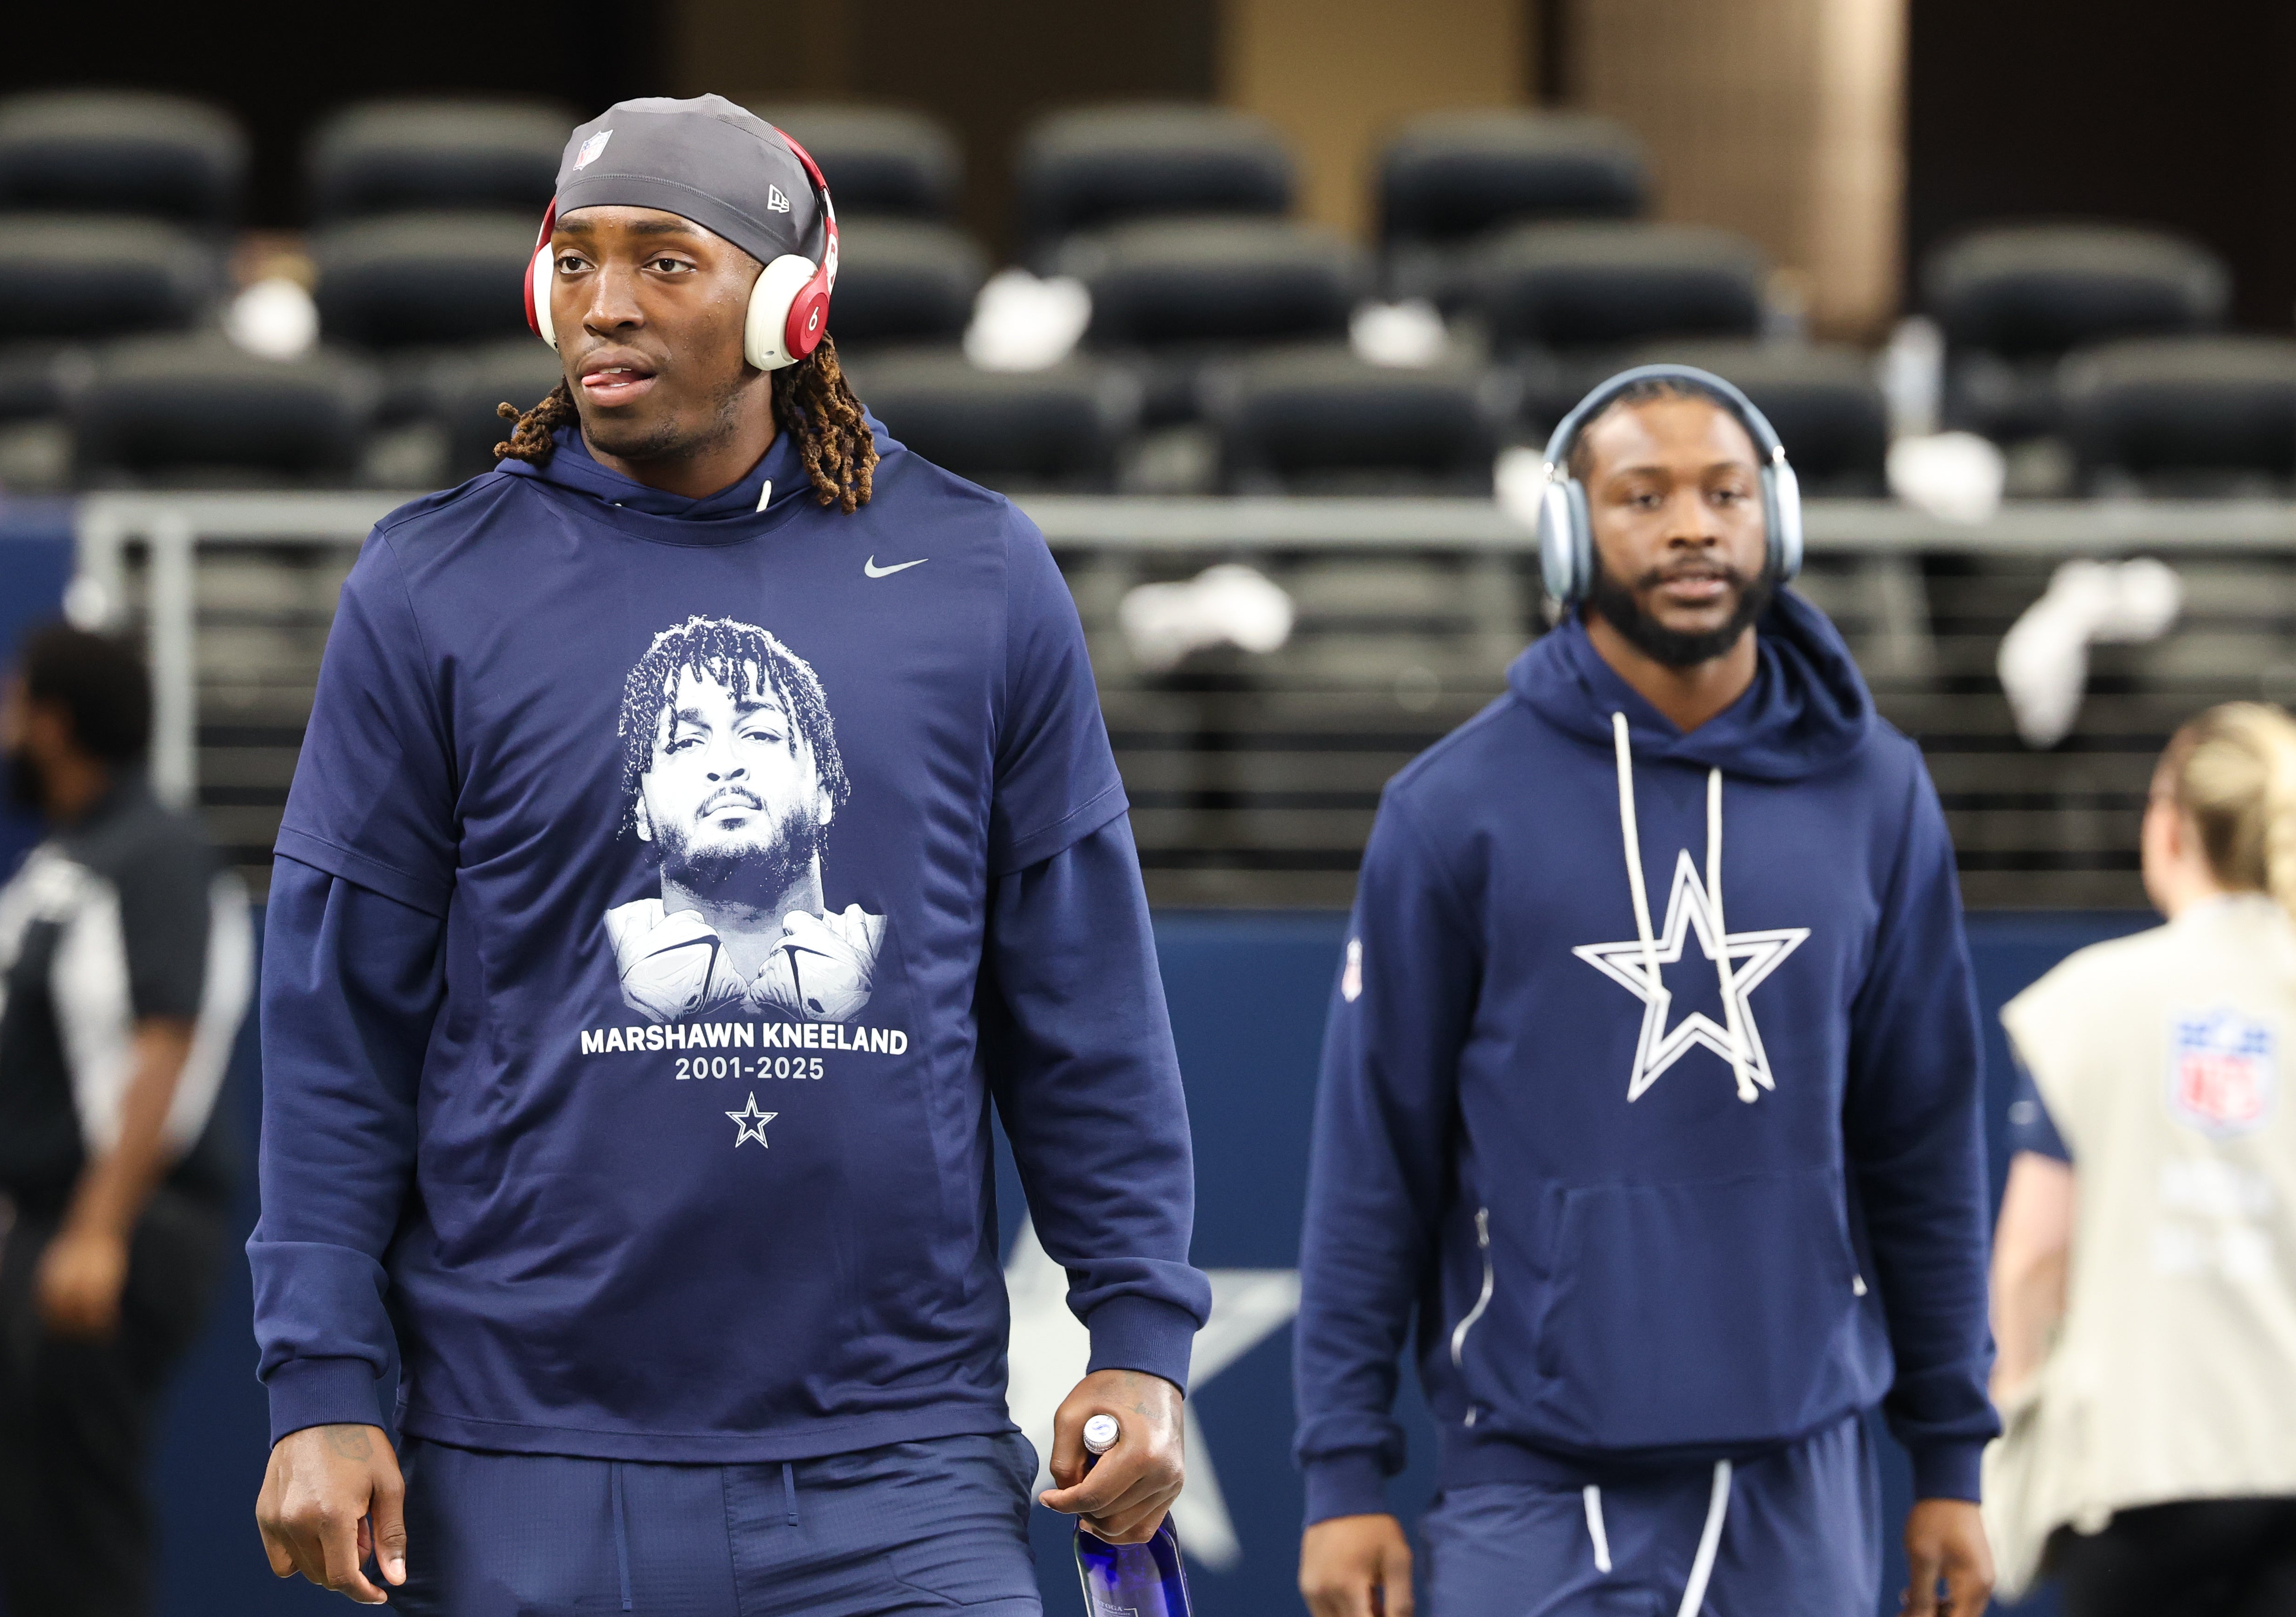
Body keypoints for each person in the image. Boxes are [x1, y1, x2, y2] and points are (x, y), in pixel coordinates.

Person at [248, 95, 1208, 1614]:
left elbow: (1083, 1006)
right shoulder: (430, 586)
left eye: (662, 261)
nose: (602, 303)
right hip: (520, 1466)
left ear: (788, 303)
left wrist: (1139, 1336)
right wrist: (319, 1379)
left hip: (896, 1467)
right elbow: (333, 1033)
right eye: (573, 260)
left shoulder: (976, 575)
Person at [1294, 366, 1998, 1617]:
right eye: (1640, 495)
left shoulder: (1877, 793)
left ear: (1773, 521)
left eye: (1724, 492)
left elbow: (1923, 1143)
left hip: (1801, 1471)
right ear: (1567, 532)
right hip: (1533, 1472)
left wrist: (1949, 1452)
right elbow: (1372, 1161)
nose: (1690, 524)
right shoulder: (1451, 810)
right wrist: (1340, 1472)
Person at [0, 622, 254, 1617]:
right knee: (27, 1521)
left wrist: (96, 1229)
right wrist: (6, 1232)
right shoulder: (74, 853)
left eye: (9, 709)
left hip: (123, 1223)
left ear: (54, 724)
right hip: (51, 1222)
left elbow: (167, 1036)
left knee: (80, 1528)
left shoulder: (154, 850)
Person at [1984, 702, 2296, 1615]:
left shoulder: (2090, 1004)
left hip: (2139, 1470)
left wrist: (2015, 1421)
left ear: (2168, 828)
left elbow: (2034, 1256)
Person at [604, 614, 884, 1022]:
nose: (725, 764)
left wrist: (857, 1013)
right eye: (684, 741)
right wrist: (636, 1014)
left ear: (824, 792)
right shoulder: (572, 946)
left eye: (759, 734)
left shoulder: (901, 947)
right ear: (642, 811)